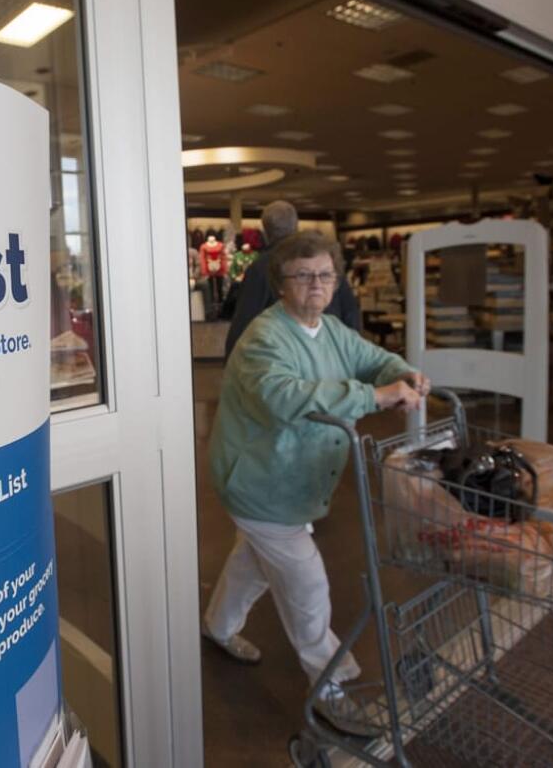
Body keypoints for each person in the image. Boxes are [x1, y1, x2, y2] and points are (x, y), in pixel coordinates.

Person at [202, 230, 430, 737]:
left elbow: (373, 359)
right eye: (303, 276)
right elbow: (284, 398)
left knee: (253, 564)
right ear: (280, 284)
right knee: (306, 586)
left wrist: (404, 373)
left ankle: (217, 627)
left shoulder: (328, 330)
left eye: (325, 275)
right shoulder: (265, 337)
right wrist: (375, 397)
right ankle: (330, 687)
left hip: (292, 481)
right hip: (259, 483)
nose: (316, 285)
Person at [225, 200, 360, 358]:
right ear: (296, 225)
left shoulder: (261, 267)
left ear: (265, 231)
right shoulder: (324, 259)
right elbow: (350, 311)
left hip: (285, 356)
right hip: (331, 354)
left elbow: (244, 320)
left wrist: (232, 363)